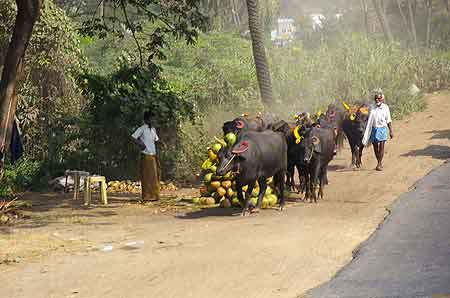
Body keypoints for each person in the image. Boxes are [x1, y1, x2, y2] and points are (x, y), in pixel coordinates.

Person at [132, 111, 161, 201]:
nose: (153, 120)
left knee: (155, 176)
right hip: (146, 155)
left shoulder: (153, 130)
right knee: (146, 176)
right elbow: (133, 137)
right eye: (151, 118)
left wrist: (161, 144)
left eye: (153, 118)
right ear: (146, 120)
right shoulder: (142, 129)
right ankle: (147, 196)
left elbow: (156, 140)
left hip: (153, 155)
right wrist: (140, 144)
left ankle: (155, 196)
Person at [362, 89, 394, 171]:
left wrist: (391, 131)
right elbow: (367, 117)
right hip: (374, 129)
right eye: (375, 99)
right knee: (375, 147)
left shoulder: (385, 108)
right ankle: (379, 161)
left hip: (382, 129)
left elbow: (388, 120)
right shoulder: (372, 108)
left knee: (382, 146)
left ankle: (379, 164)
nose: (377, 100)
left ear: (381, 99)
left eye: (379, 99)